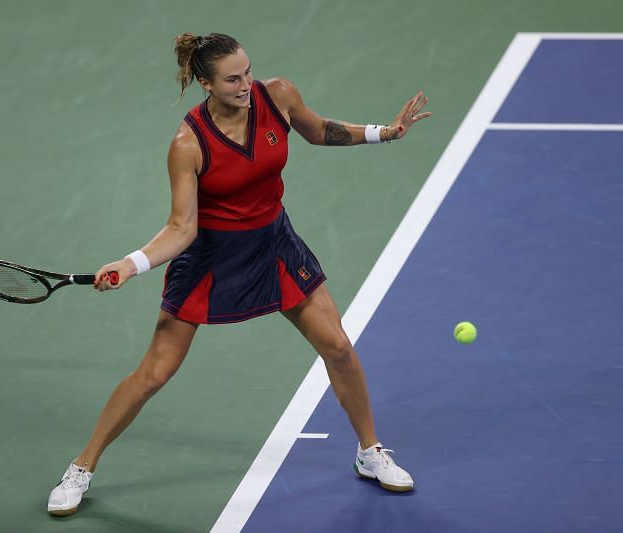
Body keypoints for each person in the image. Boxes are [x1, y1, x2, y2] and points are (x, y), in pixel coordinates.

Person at [47, 32, 431, 516]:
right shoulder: (187, 144)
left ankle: (370, 452)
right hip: (211, 259)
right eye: (232, 79)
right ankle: (82, 466)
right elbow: (181, 228)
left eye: (248, 71)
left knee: (338, 347)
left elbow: (318, 130)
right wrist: (132, 263)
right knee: (154, 374)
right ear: (205, 83)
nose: (246, 84)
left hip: (274, 245)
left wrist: (384, 132)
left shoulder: (278, 95)